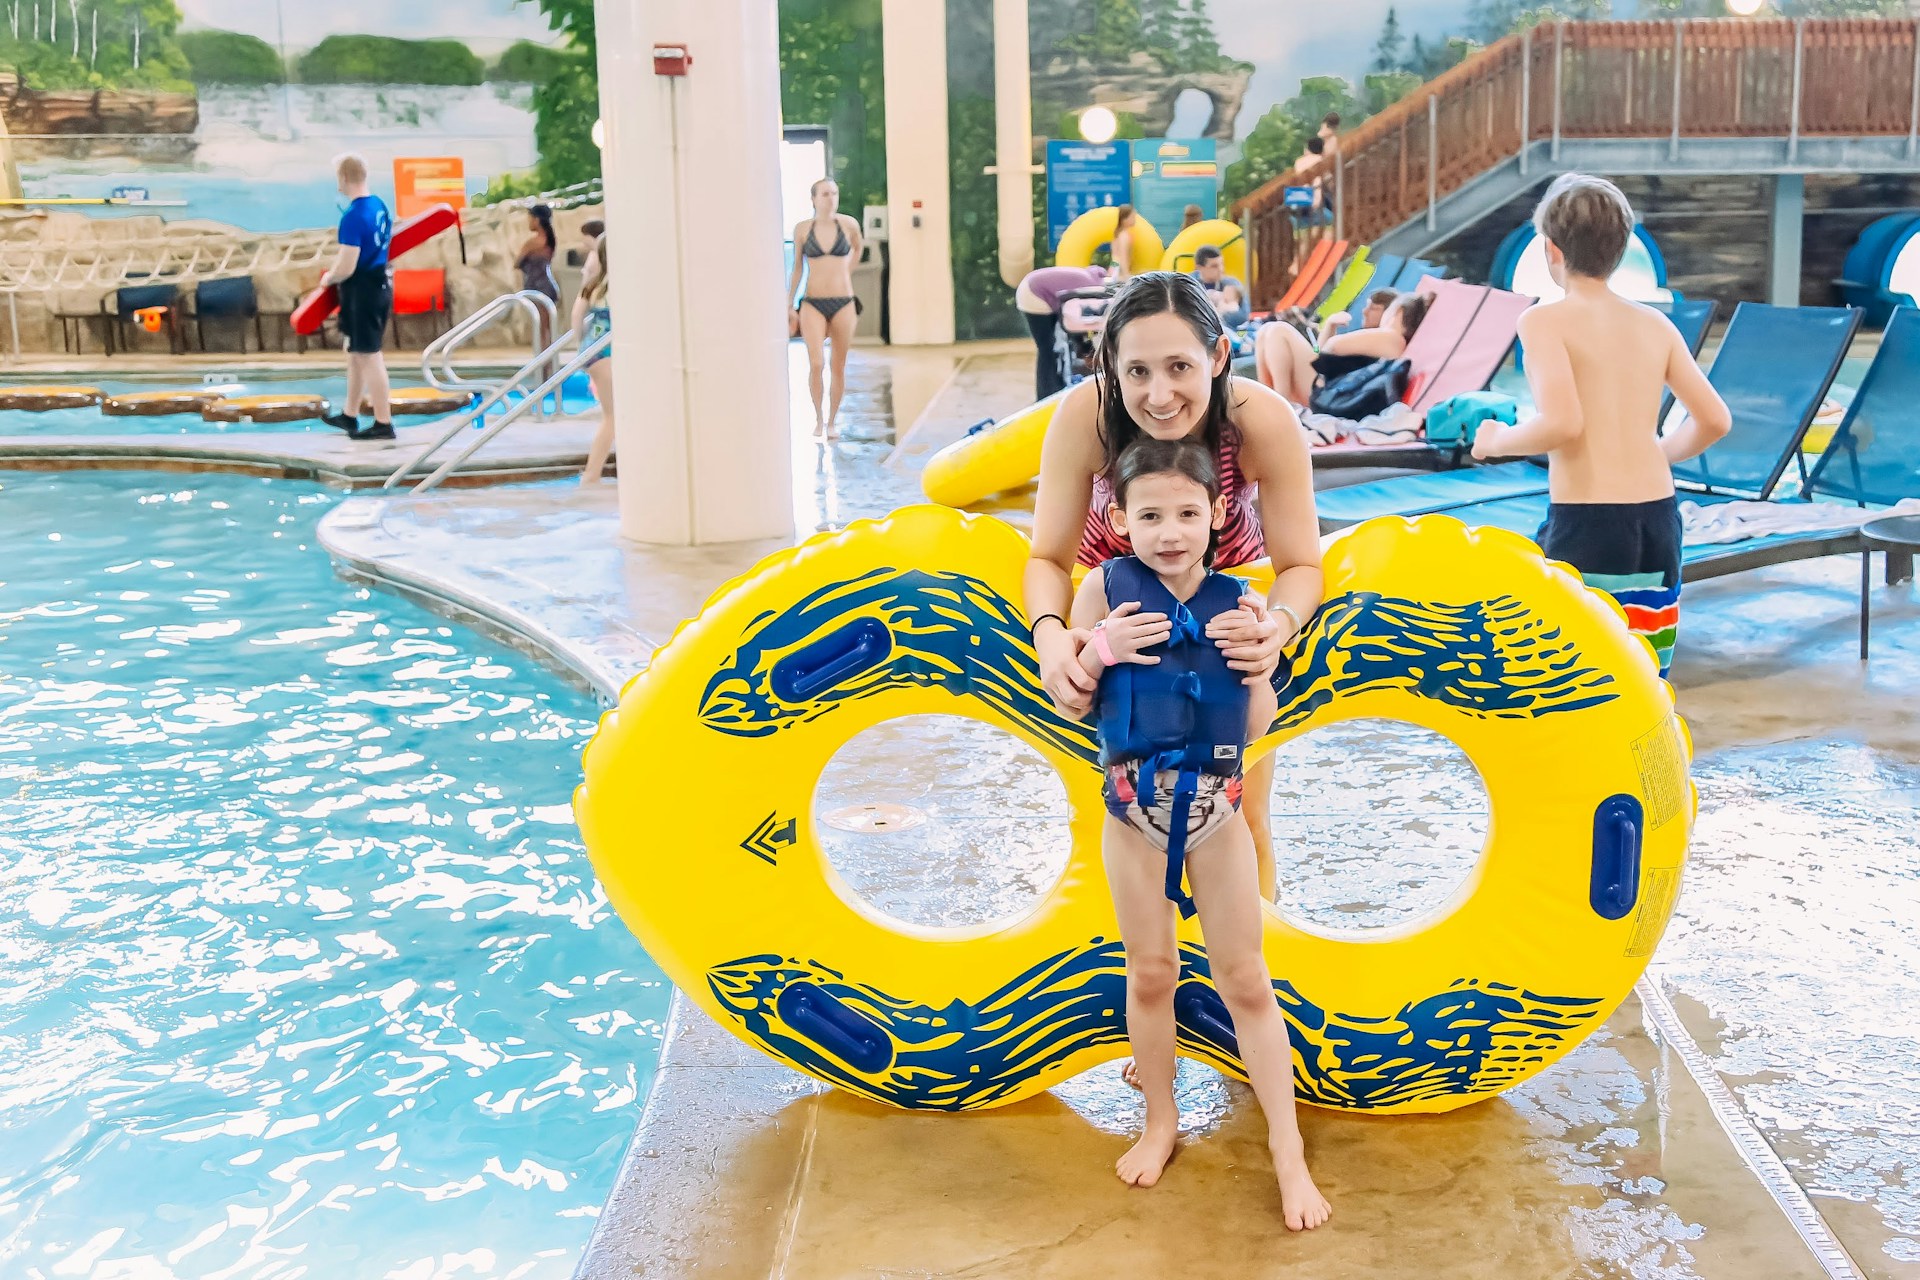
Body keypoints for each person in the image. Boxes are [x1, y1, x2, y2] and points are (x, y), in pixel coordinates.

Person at [1062, 432, 1328, 1229]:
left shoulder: (1241, 605)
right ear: (1119, 517)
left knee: (1245, 979)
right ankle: (1161, 1123)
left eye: (1187, 512)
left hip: (1215, 815)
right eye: (1151, 515)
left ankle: (1289, 1154)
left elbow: (1255, 726)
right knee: (1151, 972)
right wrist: (1099, 648)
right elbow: (1071, 695)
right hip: (1131, 814)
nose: (1170, 531)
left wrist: (1258, 664)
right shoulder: (1102, 593)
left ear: (1218, 513)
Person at [1025, 271, 1322, 915]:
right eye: (1136, 371)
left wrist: (1277, 624)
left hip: (1219, 649)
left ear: (1217, 357)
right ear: (1110, 366)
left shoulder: (1256, 422)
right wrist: (1053, 641)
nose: (1158, 395)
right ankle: (1138, 980)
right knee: (1115, 827)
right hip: (1122, 648)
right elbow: (1047, 556)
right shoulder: (1089, 416)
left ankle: (1250, 977)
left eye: (1179, 366)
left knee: (1245, 822)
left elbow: (1303, 565)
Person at [1472, 174, 1730, 677]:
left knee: (1570, 671)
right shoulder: (1656, 323)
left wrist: (1495, 442)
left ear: (1551, 250)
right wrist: (1659, 452)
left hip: (1589, 522)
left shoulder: (1545, 321)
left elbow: (1564, 423)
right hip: (1657, 519)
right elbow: (1715, 420)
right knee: (1642, 670)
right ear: (1622, 248)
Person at [318, 152, 394, 441]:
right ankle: (350, 415)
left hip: (363, 290)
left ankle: (383, 423)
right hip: (378, 286)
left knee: (370, 356)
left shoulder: (353, 216)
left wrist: (329, 278)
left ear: (344, 178)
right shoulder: (379, 206)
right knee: (356, 353)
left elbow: (348, 264)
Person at [1253, 289, 1429, 408]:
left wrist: (1333, 336)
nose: (1365, 312)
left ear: (1397, 312)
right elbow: (1322, 356)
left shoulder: (1393, 338)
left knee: (1278, 330)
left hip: (1327, 393)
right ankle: (1273, 404)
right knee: (1267, 332)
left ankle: (1279, 405)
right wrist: (1330, 327)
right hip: (1328, 391)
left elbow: (1331, 348)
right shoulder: (1390, 341)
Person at [786, 178, 864, 437]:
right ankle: (818, 418)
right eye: (825, 194)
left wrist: (846, 271)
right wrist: (789, 303)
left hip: (844, 301)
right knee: (817, 363)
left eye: (834, 193)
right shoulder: (802, 230)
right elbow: (798, 268)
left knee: (838, 365)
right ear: (813, 199)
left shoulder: (848, 224)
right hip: (812, 302)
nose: (830, 198)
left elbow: (858, 248)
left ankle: (832, 421)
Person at [1015, 264, 1111, 401]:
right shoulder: (1091, 288)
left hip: (1033, 289)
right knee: (1048, 349)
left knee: (1052, 348)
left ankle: (1053, 392)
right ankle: (1047, 396)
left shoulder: (1088, 277)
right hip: (1035, 294)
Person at [574, 234, 616, 484]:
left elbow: (576, 317)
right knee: (613, 417)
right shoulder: (620, 285)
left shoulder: (595, 284)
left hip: (593, 350)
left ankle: (593, 474)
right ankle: (591, 475)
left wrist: (581, 345)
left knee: (615, 415)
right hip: (608, 354)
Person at [1189, 245, 1247, 329]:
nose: (1221, 269)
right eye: (1214, 266)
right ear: (1199, 268)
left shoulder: (1232, 284)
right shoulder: (1189, 285)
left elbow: (1242, 315)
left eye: (1222, 264)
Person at [1111, 204, 1139, 282]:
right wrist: (1126, 275)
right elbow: (1123, 256)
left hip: (1114, 269)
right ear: (1124, 219)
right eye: (1132, 217)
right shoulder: (1124, 236)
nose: (1134, 219)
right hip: (1119, 272)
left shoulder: (1118, 234)